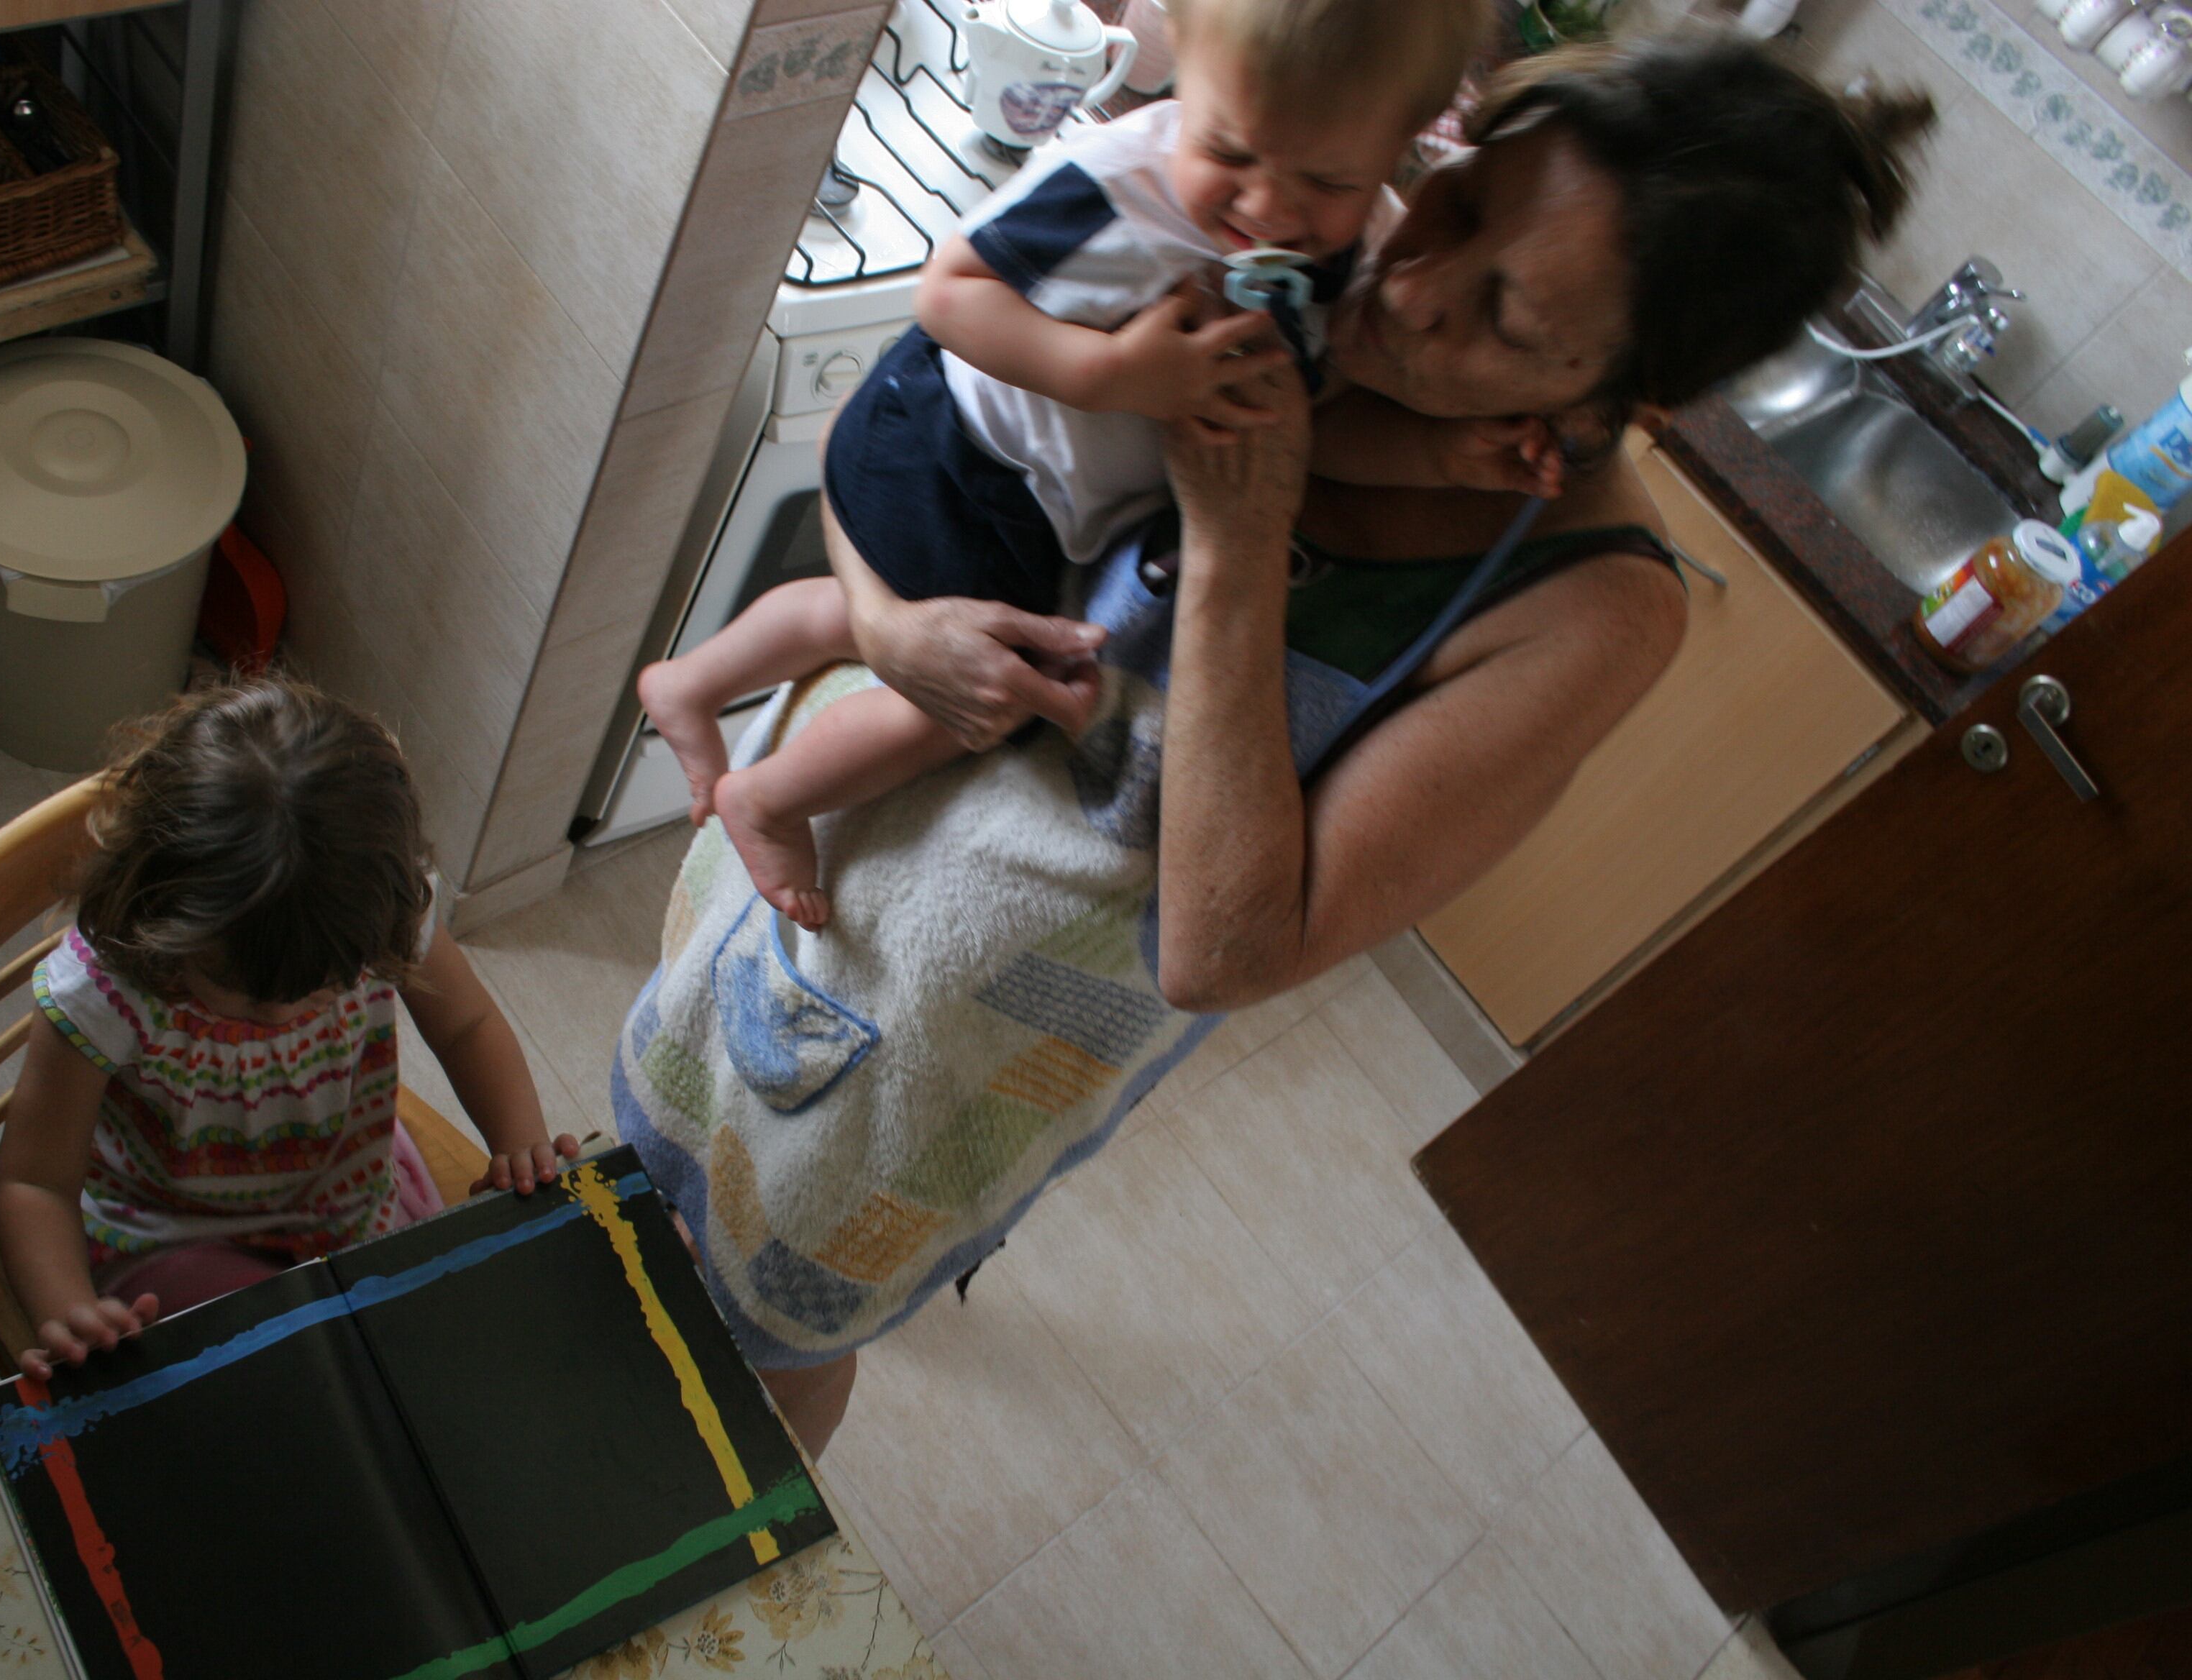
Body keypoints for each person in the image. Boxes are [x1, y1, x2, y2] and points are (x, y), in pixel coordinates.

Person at [616, 33, 1934, 1456]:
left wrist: (1240, 539)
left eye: (1503, 314)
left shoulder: (1593, 609)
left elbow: (1230, 950)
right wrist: (885, 628)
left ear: (1623, 402)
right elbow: (932, 427)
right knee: (634, 1187)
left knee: (768, 1344)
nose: (1410, 285)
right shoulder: (1299, 244)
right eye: (1458, 198)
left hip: (929, 1059)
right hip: (806, 856)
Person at [636, 0, 1520, 931]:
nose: (1268, 208)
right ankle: (769, 799)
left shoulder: (1354, 255)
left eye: (1328, 179)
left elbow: (1305, 424)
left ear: (1398, 150)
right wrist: (1111, 374)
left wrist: (1442, 454)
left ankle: (693, 681)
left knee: (879, 607)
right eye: (1229, 150)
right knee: (982, 699)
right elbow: (951, 293)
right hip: (959, 446)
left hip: (1032, 493)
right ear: (1187, 74)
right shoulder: (1121, 182)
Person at [0, 678, 577, 1382]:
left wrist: (518, 1144)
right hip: (174, 1233)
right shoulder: (103, 992)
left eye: (316, 991)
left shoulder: (376, 911)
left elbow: (468, 1026)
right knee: (280, 1385)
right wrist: (66, 1309)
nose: (278, 1016)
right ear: (159, 909)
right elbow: (34, 1182)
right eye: (238, 992)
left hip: (345, 1194)